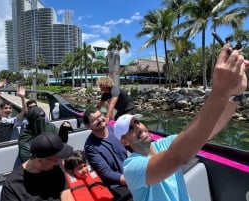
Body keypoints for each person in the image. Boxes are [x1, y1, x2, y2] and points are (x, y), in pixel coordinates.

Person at [113, 45, 249, 201]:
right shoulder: (131, 167)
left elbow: (209, 129)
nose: (138, 127)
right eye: (130, 128)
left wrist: (236, 94)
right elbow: (177, 157)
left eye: (137, 122)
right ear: (124, 141)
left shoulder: (166, 144)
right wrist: (220, 90)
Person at [1, 132, 75, 201]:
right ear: (40, 160)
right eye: (56, 159)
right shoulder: (12, 186)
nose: (60, 161)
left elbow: (66, 196)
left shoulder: (57, 167)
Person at [83, 108, 132, 201]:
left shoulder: (116, 130)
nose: (100, 119)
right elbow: (106, 172)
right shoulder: (90, 147)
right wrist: (129, 181)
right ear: (88, 126)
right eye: (94, 120)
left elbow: (133, 147)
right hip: (115, 185)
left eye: (100, 116)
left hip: (130, 173)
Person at [0, 80, 27, 144]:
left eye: (10, 108)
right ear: (0, 109)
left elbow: (24, 110)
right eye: (5, 108)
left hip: (4, 147)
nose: (8, 110)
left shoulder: (12, 121)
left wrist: (22, 97)